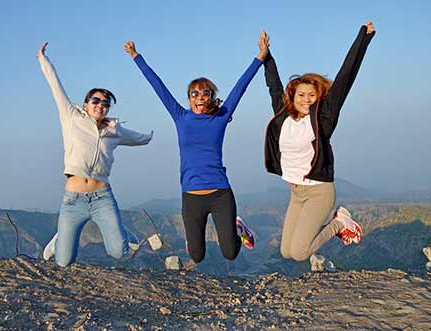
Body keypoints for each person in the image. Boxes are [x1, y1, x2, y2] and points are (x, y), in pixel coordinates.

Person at [124, 33, 268, 263]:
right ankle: (196, 239)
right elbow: (157, 86)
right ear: (189, 98)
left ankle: (237, 227)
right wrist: (136, 56)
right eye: (194, 93)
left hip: (220, 193)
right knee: (197, 256)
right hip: (191, 197)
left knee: (230, 253)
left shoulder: (221, 116)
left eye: (205, 93)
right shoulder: (180, 116)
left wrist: (260, 57)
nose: (200, 97)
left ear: (212, 97)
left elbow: (241, 86)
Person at [261, 22, 376, 267]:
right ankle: (334, 224)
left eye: (311, 95)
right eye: (301, 94)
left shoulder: (323, 119)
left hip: (318, 192)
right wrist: (266, 56)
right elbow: (273, 86)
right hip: (296, 193)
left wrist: (363, 39)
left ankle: (340, 223)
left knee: (301, 253)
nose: (305, 99)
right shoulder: (283, 115)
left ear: (319, 97)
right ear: (292, 96)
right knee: (286, 252)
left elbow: (345, 78)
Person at [37, 42, 153, 267]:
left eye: (106, 103)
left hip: (102, 198)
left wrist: (153, 135)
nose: (101, 105)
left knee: (119, 252)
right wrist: (43, 59)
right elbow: (54, 84)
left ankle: (119, 228)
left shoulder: (114, 131)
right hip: (72, 200)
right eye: (96, 100)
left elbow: (140, 139)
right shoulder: (71, 117)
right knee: (62, 261)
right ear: (86, 104)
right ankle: (60, 235)